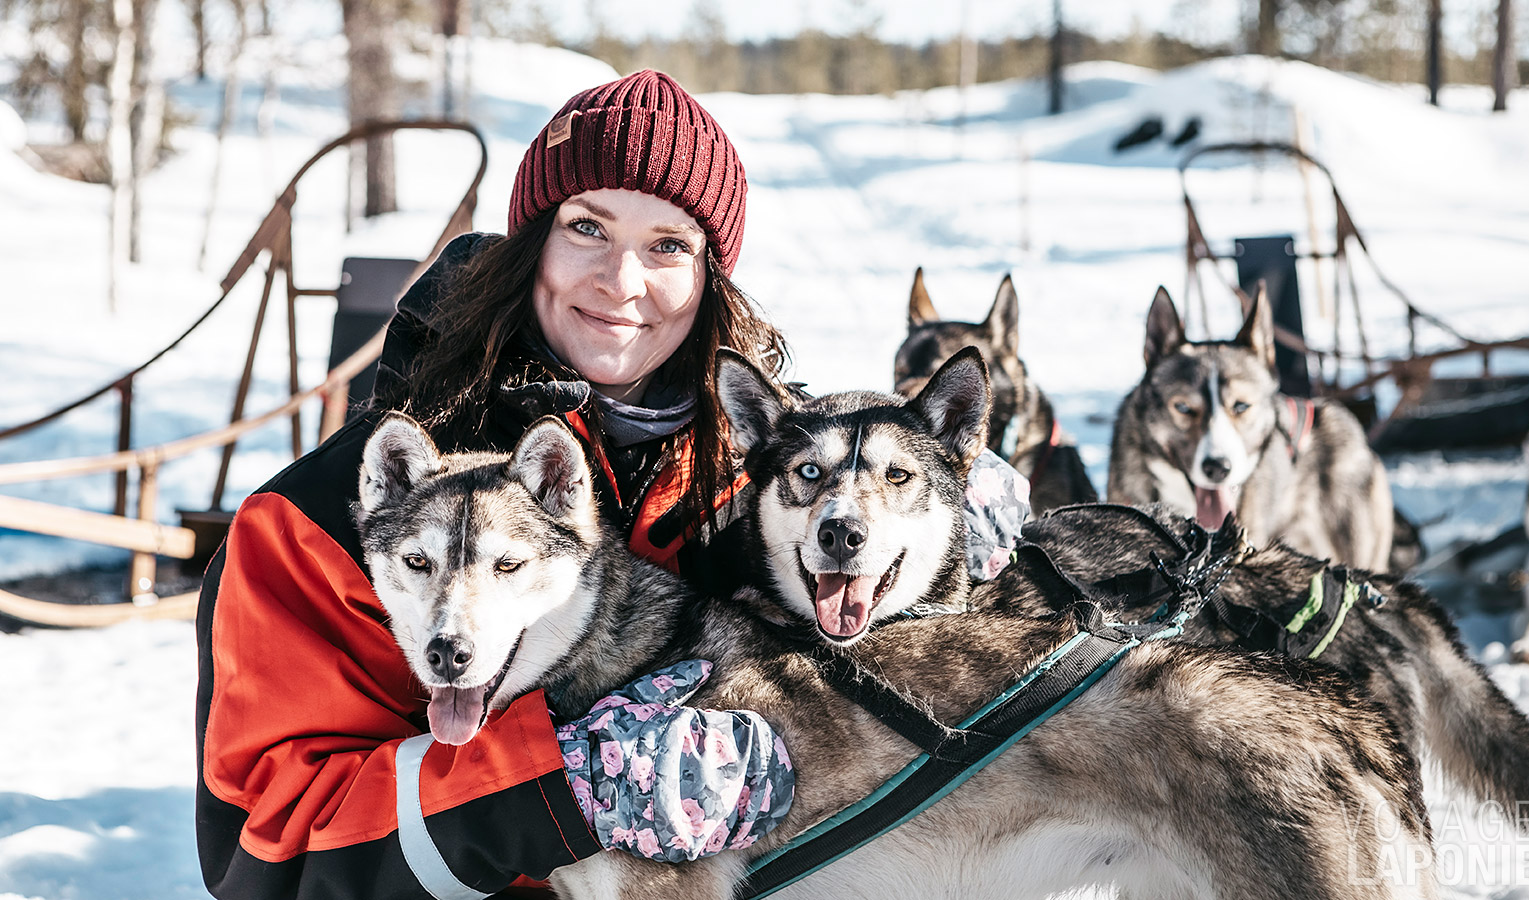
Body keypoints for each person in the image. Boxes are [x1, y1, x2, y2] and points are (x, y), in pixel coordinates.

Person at [195, 69, 1028, 900]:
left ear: (708, 279)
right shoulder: (313, 524)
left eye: (669, 244)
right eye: (587, 227)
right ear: (532, 244)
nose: (622, 282)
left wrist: (941, 513)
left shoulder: (753, 474)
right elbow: (267, 857)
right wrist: (556, 792)